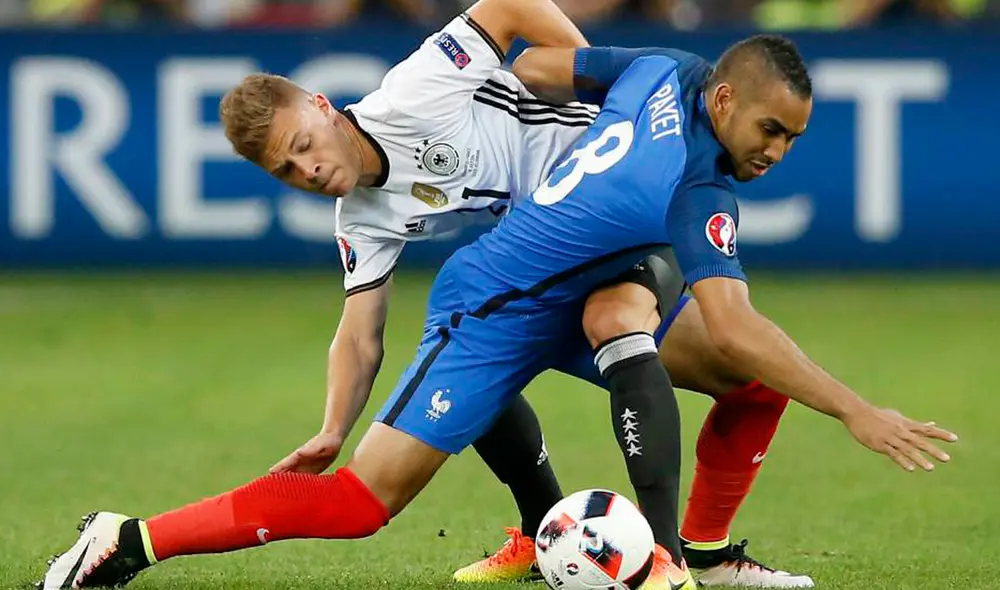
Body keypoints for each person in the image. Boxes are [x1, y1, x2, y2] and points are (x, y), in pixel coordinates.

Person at [36, 6, 958, 590]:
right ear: (723, 102)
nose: (776, 152)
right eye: (770, 131)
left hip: (577, 260)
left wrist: (548, 116)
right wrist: (854, 409)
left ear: (320, 105)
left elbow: (555, 63)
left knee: (647, 332)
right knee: (364, 502)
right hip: (494, 295)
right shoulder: (692, 182)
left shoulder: (652, 75)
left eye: (791, 138)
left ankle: (691, 560)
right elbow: (737, 324)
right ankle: (131, 539)